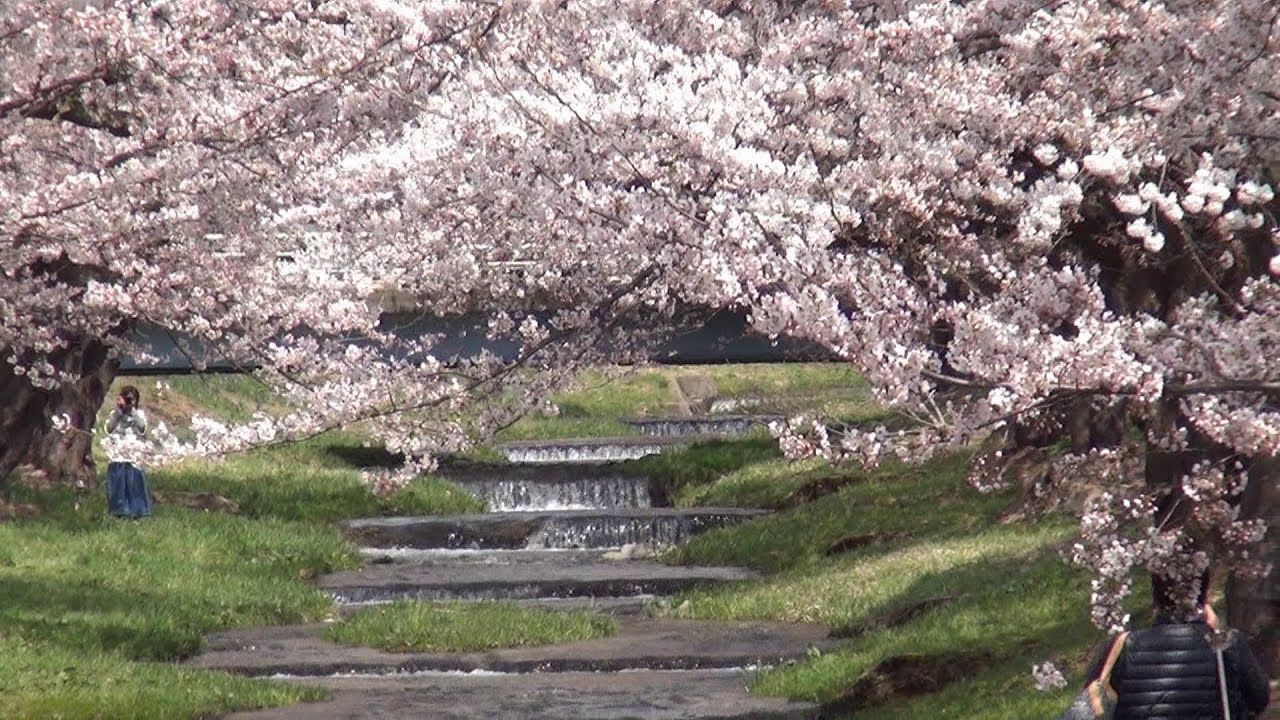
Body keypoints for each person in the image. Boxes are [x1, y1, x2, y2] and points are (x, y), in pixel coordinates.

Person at [1076, 570, 1270, 719]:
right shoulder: (1228, 644)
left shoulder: (1123, 647)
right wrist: (1216, 631)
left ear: (1156, 594)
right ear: (1204, 594)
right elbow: (1259, 699)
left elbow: (1092, 703)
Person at [104, 385, 152, 518]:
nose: (130, 402)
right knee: (118, 483)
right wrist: (119, 412)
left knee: (135, 484)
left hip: (134, 455)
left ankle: (138, 510)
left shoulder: (139, 414)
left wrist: (133, 411)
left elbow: (142, 428)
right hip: (118, 454)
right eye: (127, 398)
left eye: (132, 399)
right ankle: (118, 510)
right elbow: (109, 429)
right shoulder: (115, 414)